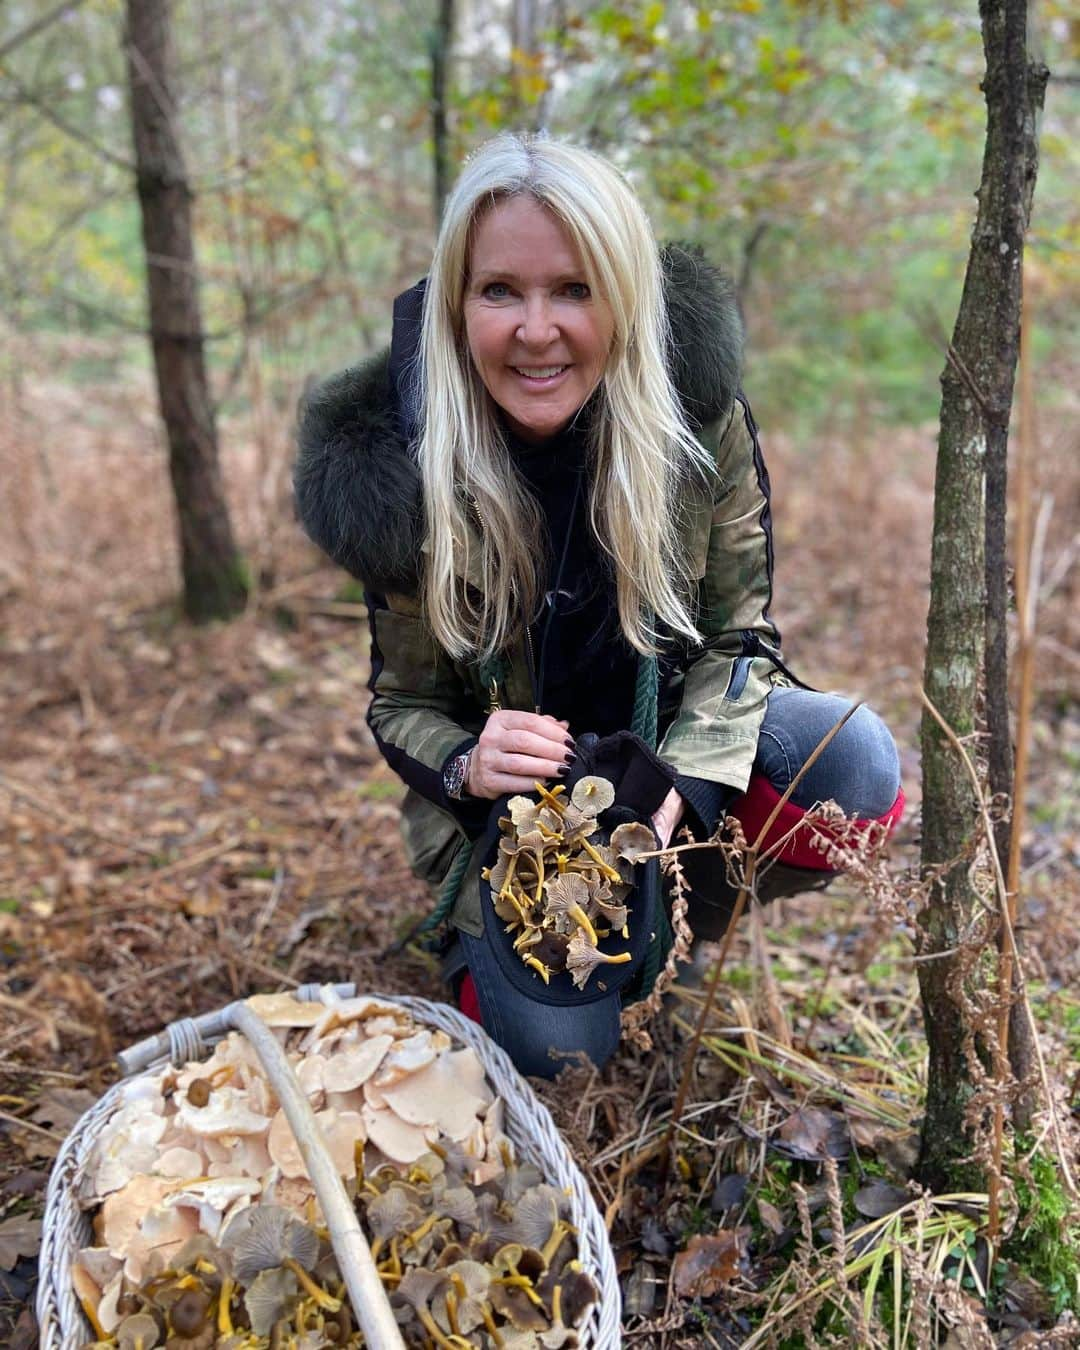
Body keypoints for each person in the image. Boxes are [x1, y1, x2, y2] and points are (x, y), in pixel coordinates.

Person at [294, 132, 903, 1077]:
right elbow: (400, 704)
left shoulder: (696, 418)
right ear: (458, 305)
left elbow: (739, 636)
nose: (537, 331)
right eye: (500, 292)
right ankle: (523, 955)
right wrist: (465, 760)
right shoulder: (399, 466)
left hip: (666, 765)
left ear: (621, 292)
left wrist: (684, 792)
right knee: (555, 1051)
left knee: (852, 768)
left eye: (573, 290)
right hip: (517, 817)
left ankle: (670, 914)